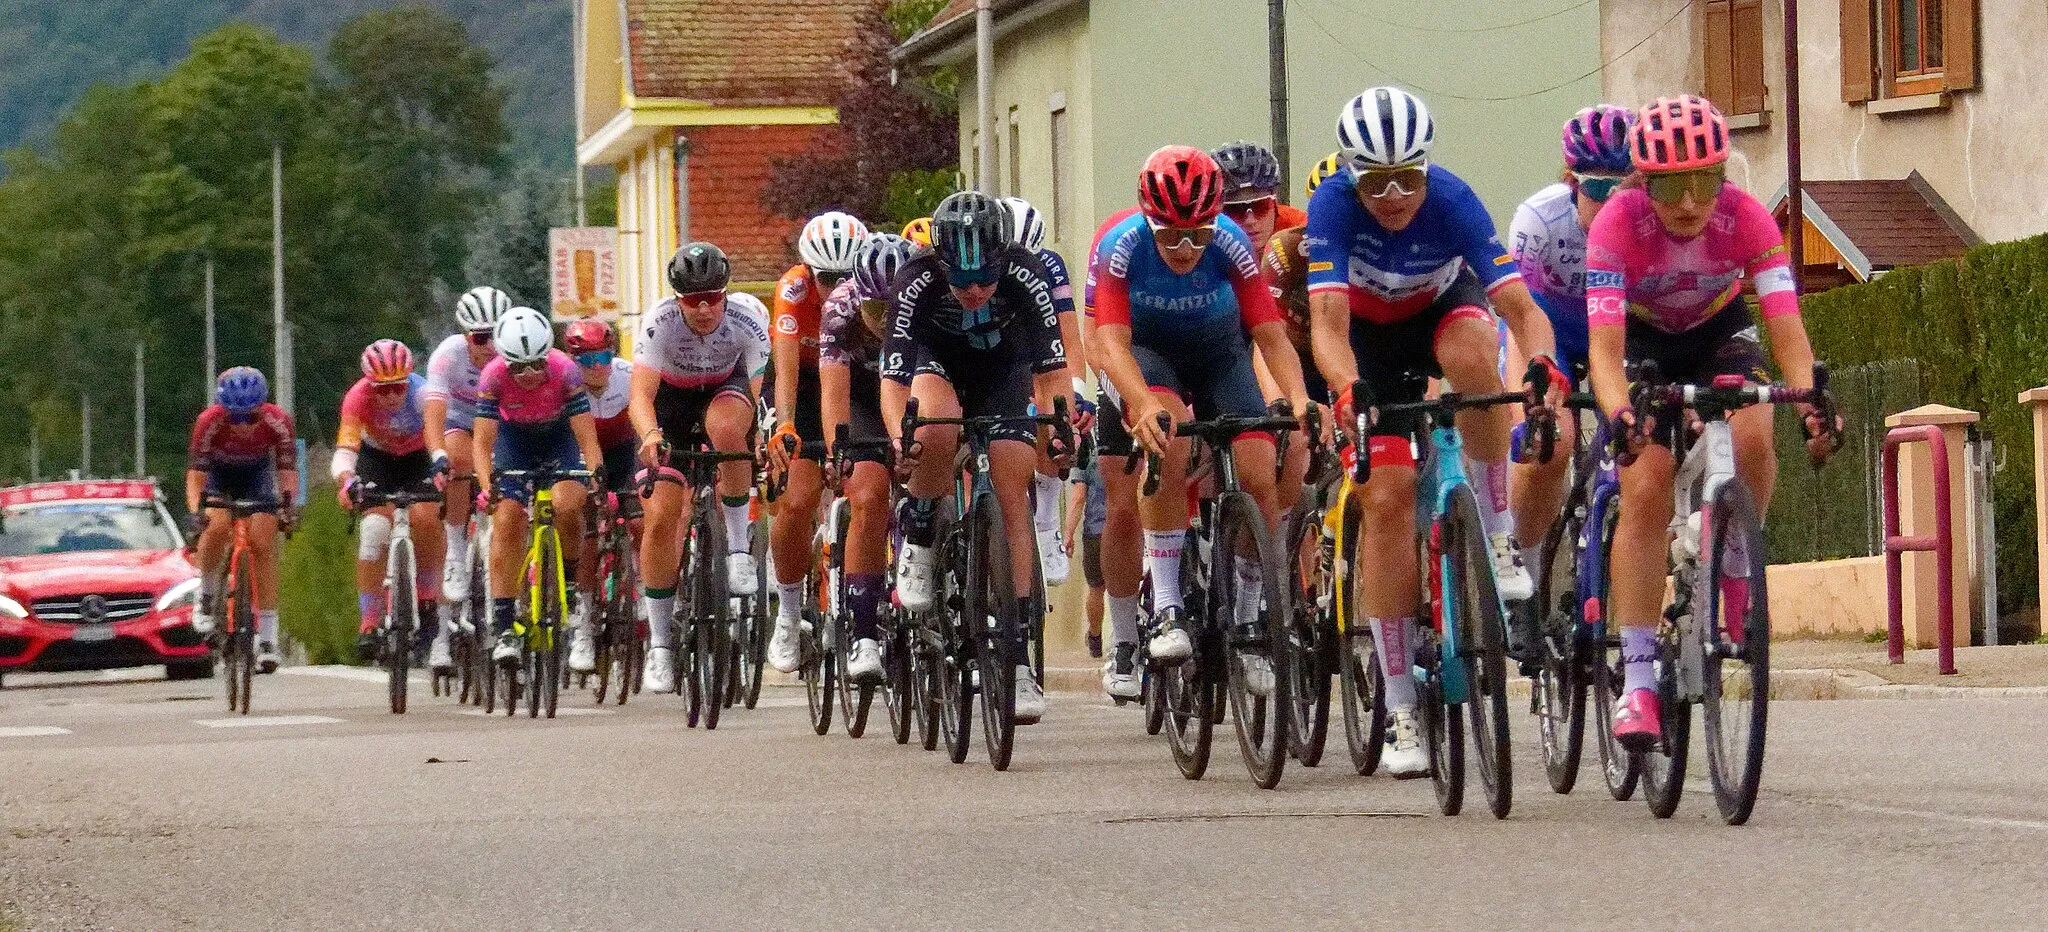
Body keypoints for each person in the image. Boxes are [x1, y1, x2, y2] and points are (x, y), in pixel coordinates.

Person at [1305, 87, 1568, 777]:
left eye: (1408, 178)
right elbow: (1328, 329)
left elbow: (1520, 308)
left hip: (1441, 310)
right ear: (1350, 175)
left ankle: (1499, 530)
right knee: (1387, 500)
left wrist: (1539, 361)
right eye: (1376, 181)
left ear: (1428, 166)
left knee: (1476, 357)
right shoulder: (1331, 208)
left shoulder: (1453, 199)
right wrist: (1346, 391)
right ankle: (1399, 707)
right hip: (1370, 342)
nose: (1393, 196)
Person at [1586, 95, 1834, 750]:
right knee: (1644, 485)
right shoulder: (1616, 223)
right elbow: (1603, 356)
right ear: (1643, 180)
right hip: (1641, 343)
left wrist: (1808, 398)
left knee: (1754, 425)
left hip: (1719, 331)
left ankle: (1732, 551)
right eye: (1670, 184)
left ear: (1724, 176)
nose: (1690, 202)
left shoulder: (1748, 219)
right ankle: (1638, 677)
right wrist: (1619, 414)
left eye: (1705, 181)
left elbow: (1789, 336)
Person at [1089, 144, 1313, 699]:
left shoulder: (1232, 245)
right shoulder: (1123, 248)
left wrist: (1300, 398)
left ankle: (1248, 618)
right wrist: (1140, 404)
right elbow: (1111, 345)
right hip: (1149, 355)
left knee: (1260, 471)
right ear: (1149, 221)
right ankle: (1166, 606)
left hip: (1219, 355)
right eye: (1172, 235)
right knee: (1171, 444)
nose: (1187, 247)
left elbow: (1269, 334)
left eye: (1199, 233)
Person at [884, 190, 1074, 725]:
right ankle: (920, 531)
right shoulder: (915, 280)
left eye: (985, 281)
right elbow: (894, 382)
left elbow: (1052, 372)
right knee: (931, 433)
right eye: (960, 281)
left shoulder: (1027, 272)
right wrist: (904, 437)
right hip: (936, 365)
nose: (972, 291)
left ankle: (1016, 662)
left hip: (1003, 372)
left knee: (1014, 489)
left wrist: (1058, 425)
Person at [1504, 105, 1636, 654]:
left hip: (1615, 328)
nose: (1609, 203)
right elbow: (1518, 321)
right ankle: (1525, 579)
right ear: (1570, 182)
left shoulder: (1648, 225)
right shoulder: (1537, 222)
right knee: (1547, 445)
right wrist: (1528, 411)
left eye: (1623, 190)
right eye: (1596, 189)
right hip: (1549, 324)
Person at [629, 242, 770, 693]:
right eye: (693, 300)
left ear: (727, 292)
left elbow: (758, 395)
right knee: (661, 517)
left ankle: (736, 549)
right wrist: (651, 436)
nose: (706, 308)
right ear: (677, 299)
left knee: (729, 431)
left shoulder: (748, 318)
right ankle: (661, 647)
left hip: (724, 392)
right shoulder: (660, 325)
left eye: (714, 296)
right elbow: (640, 398)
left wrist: (762, 436)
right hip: (670, 405)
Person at [786, 232, 921, 682]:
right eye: (877, 311)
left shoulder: (927, 301)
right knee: (867, 492)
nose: (885, 320)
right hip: (860, 396)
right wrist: (838, 450)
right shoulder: (840, 310)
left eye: (894, 309)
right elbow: (833, 396)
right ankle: (863, 632)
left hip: (911, 386)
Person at [765, 211, 869, 680]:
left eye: (845, 277)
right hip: (805, 385)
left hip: (856, 378)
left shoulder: (876, 285)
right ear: (809, 272)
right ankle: (788, 613)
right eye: (826, 279)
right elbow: (785, 369)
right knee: (797, 500)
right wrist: (785, 423)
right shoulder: (793, 291)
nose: (835, 288)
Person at [472, 308, 606, 667]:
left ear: (548, 356)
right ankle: (504, 626)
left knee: (568, 503)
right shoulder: (493, 377)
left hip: (558, 439)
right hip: (514, 442)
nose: (529, 374)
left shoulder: (565, 370)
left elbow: (587, 438)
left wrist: (596, 475)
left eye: (536, 364)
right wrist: (488, 488)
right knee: (507, 519)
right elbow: (482, 446)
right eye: (519, 366)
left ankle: (571, 586)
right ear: (505, 362)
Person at [333, 340, 447, 670]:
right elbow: (346, 446)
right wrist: (346, 480)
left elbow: (437, 434)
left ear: (408, 380)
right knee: (373, 528)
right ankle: (369, 621)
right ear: (369, 385)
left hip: (417, 456)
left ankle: (426, 596)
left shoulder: (423, 393)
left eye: (398, 387)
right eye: (382, 390)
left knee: (426, 517)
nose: (391, 396)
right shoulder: (357, 397)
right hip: (376, 459)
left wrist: (441, 464)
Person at [185, 366, 297, 674]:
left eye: (251, 417)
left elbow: (287, 472)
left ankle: (268, 639)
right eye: (236, 417)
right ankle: (206, 596)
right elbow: (196, 476)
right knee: (216, 525)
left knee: (264, 542)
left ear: (263, 408)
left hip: (257, 475)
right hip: (218, 477)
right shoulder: (209, 422)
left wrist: (288, 507)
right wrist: (197, 512)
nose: (244, 424)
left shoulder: (278, 421)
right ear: (224, 410)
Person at [1002, 195, 1088, 588]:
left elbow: (1069, 343)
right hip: (993, 354)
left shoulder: (1051, 267)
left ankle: (1047, 518)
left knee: (1053, 410)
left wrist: (1078, 394)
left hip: (1037, 348)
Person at [425, 286, 510, 605]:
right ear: (465, 335)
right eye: (480, 338)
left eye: (496, 336)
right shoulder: (448, 357)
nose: (490, 346)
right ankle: (456, 555)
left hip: (499, 424)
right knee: (458, 461)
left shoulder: (513, 354)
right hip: (459, 423)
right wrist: (438, 456)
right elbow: (434, 415)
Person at [562, 318, 636, 674]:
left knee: (640, 519)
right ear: (573, 362)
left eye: (604, 357)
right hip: (581, 454)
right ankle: (584, 620)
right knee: (590, 534)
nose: (598, 367)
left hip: (623, 451)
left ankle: (640, 589)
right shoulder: (563, 385)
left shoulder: (628, 375)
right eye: (588, 361)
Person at [1063, 426, 1109, 664]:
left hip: (1096, 532)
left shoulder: (1088, 457)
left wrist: (1068, 533)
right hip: (1128, 529)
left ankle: (1095, 637)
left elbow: (1078, 498)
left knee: (1096, 588)